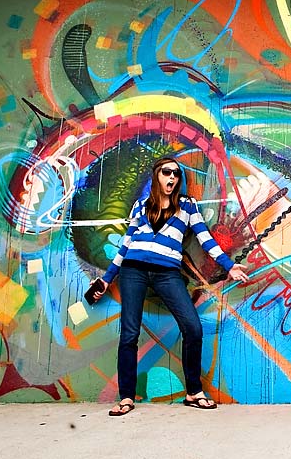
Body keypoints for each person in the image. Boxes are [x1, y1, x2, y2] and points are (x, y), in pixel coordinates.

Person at [95, 157, 249, 416]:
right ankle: (126, 397)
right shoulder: (141, 206)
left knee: (192, 327)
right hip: (133, 270)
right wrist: (107, 278)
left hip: (167, 272)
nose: (172, 178)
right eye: (167, 173)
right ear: (157, 175)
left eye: (177, 174)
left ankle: (193, 391)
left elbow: (205, 239)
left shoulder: (187, 206)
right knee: (130, 333)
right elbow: (125, 245)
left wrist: (228, 265)